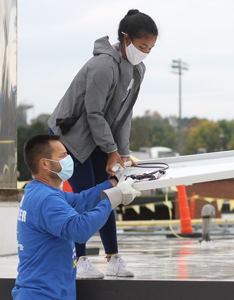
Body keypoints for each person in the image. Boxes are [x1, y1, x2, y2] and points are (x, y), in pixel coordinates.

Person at [48, 9, 158, 278]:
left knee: (108, 195)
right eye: (143, 46)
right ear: (126, 38)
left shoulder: (137, 69)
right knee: (84, 196)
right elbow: (94, 113)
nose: (146, 52)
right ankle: (80, 259)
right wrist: (110, 150)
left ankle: (113, 258)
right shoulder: (102, 66)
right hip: (71, 138)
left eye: (151, 48)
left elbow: (125, 114)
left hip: (99, 137)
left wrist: (122, 153)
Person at [12, 134, 141, 300]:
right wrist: (113, 199)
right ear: (45, 164)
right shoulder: (46, 198)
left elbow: (81, 201)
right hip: (44, 295)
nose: (68, 159)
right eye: (62, 155)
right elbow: (79, 230)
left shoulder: (38, 191)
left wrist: (116, 181)